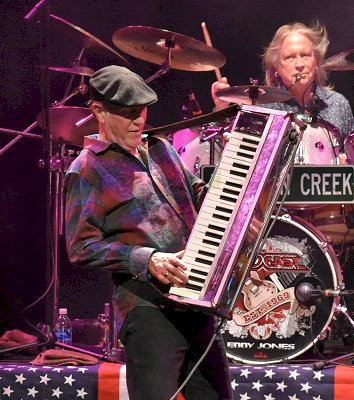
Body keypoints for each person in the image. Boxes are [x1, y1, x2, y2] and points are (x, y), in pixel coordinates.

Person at [64, 65, 232, 400]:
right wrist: (147, 259)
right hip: (147, 307)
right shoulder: (85, 170)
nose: (139, 121)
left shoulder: (160, 148)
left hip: (195, 298)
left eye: (141, 111)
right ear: (98, 110)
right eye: (127, 114)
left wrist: (234, 190)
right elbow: (80, 247)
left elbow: (197, 190)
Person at [211, 21, 354, 143]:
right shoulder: (264, 107)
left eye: (305, 55)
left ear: (316, 61)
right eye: (289, 57)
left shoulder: (338, 103)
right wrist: (220, 108)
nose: (299, 64)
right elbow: (223, 144)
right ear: (276, 68)